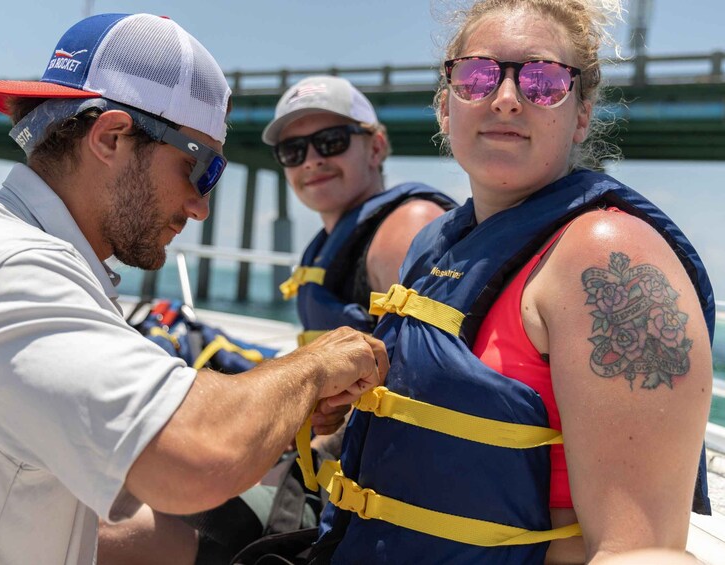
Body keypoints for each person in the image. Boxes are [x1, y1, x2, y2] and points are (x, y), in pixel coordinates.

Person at [0, 14, 388, 565]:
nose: (201, 206)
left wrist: (276, 412)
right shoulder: (12, 270)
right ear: (111, 136)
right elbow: (194, 461)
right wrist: (312, 369)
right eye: (201, 169)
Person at [302, 1, 716, 563]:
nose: (506, 97)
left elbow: (639, 551)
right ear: (445, 108)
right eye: (476, 76)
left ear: (582, 116)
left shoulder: (606, 257)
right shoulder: (436, 246)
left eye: (544, 82)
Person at [263, 76, 458, 346]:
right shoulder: (331, 242)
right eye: (292, 150)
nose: (310, 161)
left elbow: (421, 372)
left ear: (375, 148)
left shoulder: (406, 229)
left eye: (331, 141)